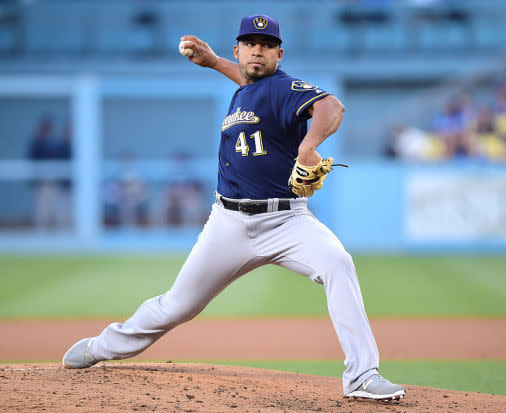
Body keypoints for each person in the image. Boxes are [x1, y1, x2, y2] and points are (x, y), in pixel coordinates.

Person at [62, 14, 405, 401]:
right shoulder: (248, 88)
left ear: (279, 53)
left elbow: (332, 107)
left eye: (266, 44)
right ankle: (102, 347)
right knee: (176, 306)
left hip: (286, 221)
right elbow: (249, 80)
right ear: (237, 50)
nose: (257, 49)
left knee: (338, 263)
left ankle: (362, 376)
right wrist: (213, 62)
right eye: (249, 43)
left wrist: (308, 148)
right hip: (227, 223)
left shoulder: (285, 87)